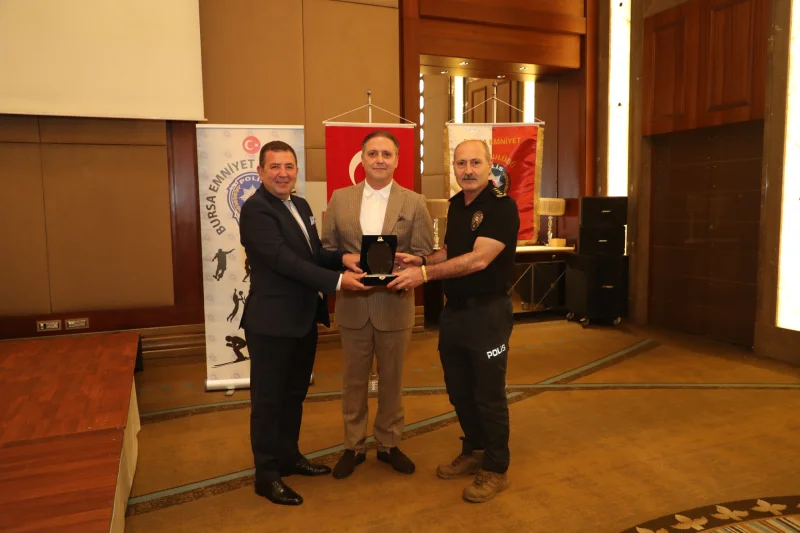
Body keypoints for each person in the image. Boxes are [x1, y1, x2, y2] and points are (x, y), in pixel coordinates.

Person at [387, 139, 519, 503]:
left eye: (475, 162)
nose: (468, 170)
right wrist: (422, 261)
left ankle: (496, 466)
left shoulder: (502, 207)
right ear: (454, 168)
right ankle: (475, 449)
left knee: (488, 392)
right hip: (456, 311)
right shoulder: (457, 204)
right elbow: (452, 251)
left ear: (489, 166)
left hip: (488, 313)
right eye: (461, 163)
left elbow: (478, 259)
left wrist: (424, 276)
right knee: (459, 388)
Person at [239, 140, 368, 506]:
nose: (282, 174)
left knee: (294, 395)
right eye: (274, 167)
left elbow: (311, 254)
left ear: (296, 171)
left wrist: (342, 258)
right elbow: (283, 261)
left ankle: (288, 457)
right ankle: (266, 474)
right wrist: (338, 281)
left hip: (302, 320)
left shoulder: (301, 205)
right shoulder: (256, 210)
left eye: (289, 167)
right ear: (261, 171)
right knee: (268, 401)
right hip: (271, 324)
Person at [321, 130, 433, 479]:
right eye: (373, 154)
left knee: (392, 380)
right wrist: (344, 265)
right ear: (362, 158)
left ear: (397, 160)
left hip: (395, 305)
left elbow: (424, 252)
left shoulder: (414, 202)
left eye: (386, 154)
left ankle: (388, 443)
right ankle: (353, 446)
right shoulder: (340, 198)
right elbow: (327, 250)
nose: (380, 160)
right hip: (353, 305)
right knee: (353, 381)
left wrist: (409, 265)